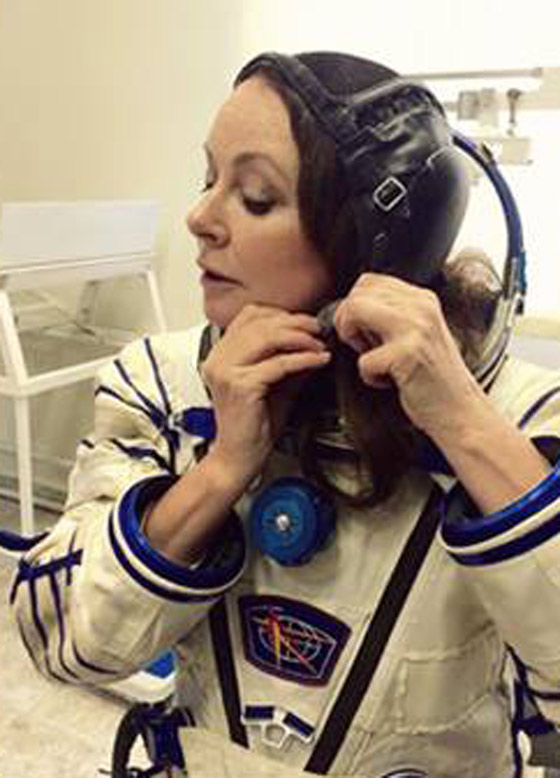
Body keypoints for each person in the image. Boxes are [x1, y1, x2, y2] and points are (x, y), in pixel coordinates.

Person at [10, 51, 560, 778]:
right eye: (209, 179)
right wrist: (220, 471)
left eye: (256, 197)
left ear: (371, 245)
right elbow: (63, 642)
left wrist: (461, 422)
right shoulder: (161, 384)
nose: (199, 218)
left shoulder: (522, 417)